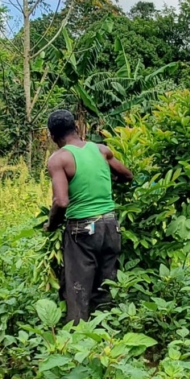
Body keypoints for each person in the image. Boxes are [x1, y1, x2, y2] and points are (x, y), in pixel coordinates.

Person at [44, 109, 133, 323]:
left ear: (53, 136)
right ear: (76, 127)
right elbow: (127, 175)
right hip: (110, 225)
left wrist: (51, 224)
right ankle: (106, 331)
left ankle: (76, 338)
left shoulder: (59, 159)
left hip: (82, 229)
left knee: (78, 288)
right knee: (105, 284)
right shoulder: (101, 150)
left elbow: (61, 201)